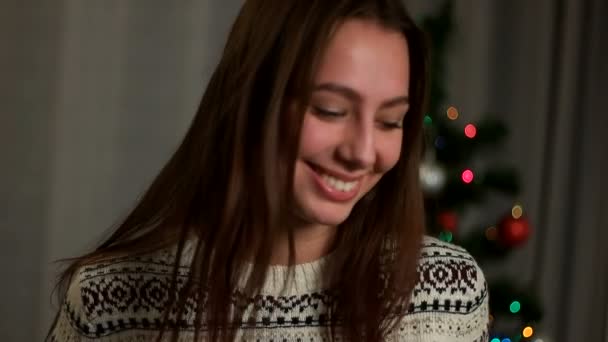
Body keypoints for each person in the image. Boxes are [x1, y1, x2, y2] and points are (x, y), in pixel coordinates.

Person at [47, 0, 489, 341]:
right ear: (253, 98)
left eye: (390, 121)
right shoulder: (110, 298)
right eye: (330, 110)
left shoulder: (447, 292)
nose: (362, 152)